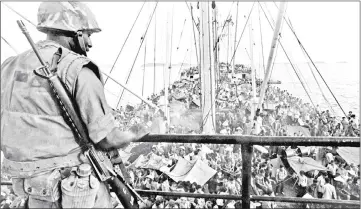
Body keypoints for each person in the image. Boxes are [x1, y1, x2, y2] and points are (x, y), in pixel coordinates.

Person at [0, 2, 157, 208]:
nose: (90, 43)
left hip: (32, 186)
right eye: (86, 34)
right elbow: (107, 139)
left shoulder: (9, 66)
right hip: (75, 187)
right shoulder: (78, 68)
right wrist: (138, 133)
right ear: (74, 33)